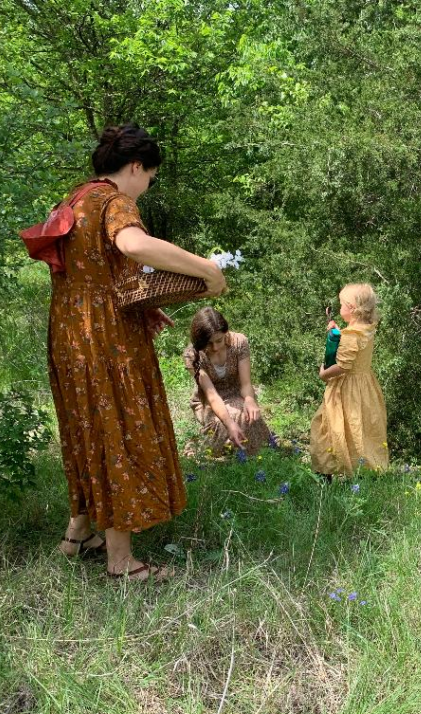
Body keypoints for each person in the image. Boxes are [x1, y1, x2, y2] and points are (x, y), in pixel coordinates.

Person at [50, 123, 226, 581]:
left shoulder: (76, 198)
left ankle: (78, 534)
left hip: (70, 331)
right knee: (119, 428)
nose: (147, 186)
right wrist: (206, 269)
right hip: (106, 339)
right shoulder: (114, 201)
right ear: (134, 166)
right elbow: (133, 244)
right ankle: (121, 562)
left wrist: (143, 306)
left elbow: (94, 274)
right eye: (150, 176)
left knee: (88, 426)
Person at [310, 283, 389, 477]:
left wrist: (324, 374)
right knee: (360, 429)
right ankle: (365, 473)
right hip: (364, 387)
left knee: (328, 427)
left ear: (352, 308)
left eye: (341, 304)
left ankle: (325, 474)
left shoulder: (351, 335)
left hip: (346, 389)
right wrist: (337, 332)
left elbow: (343, 366)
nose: (339, 308)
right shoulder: (365, 329)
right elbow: (352, 347)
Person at [183, 307, 271, 454]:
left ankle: (248, 452)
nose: (215, 347)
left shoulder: (239, 342)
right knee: (225, 422)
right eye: (209, 343)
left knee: (246, 416)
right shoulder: (192, 355)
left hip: (238, 393)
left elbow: (246, 383)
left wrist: (249, 399)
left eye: (219, 340)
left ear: (226, 332)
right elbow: (211, 395)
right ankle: (200, 449)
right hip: (208, 401)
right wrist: (229, 424)